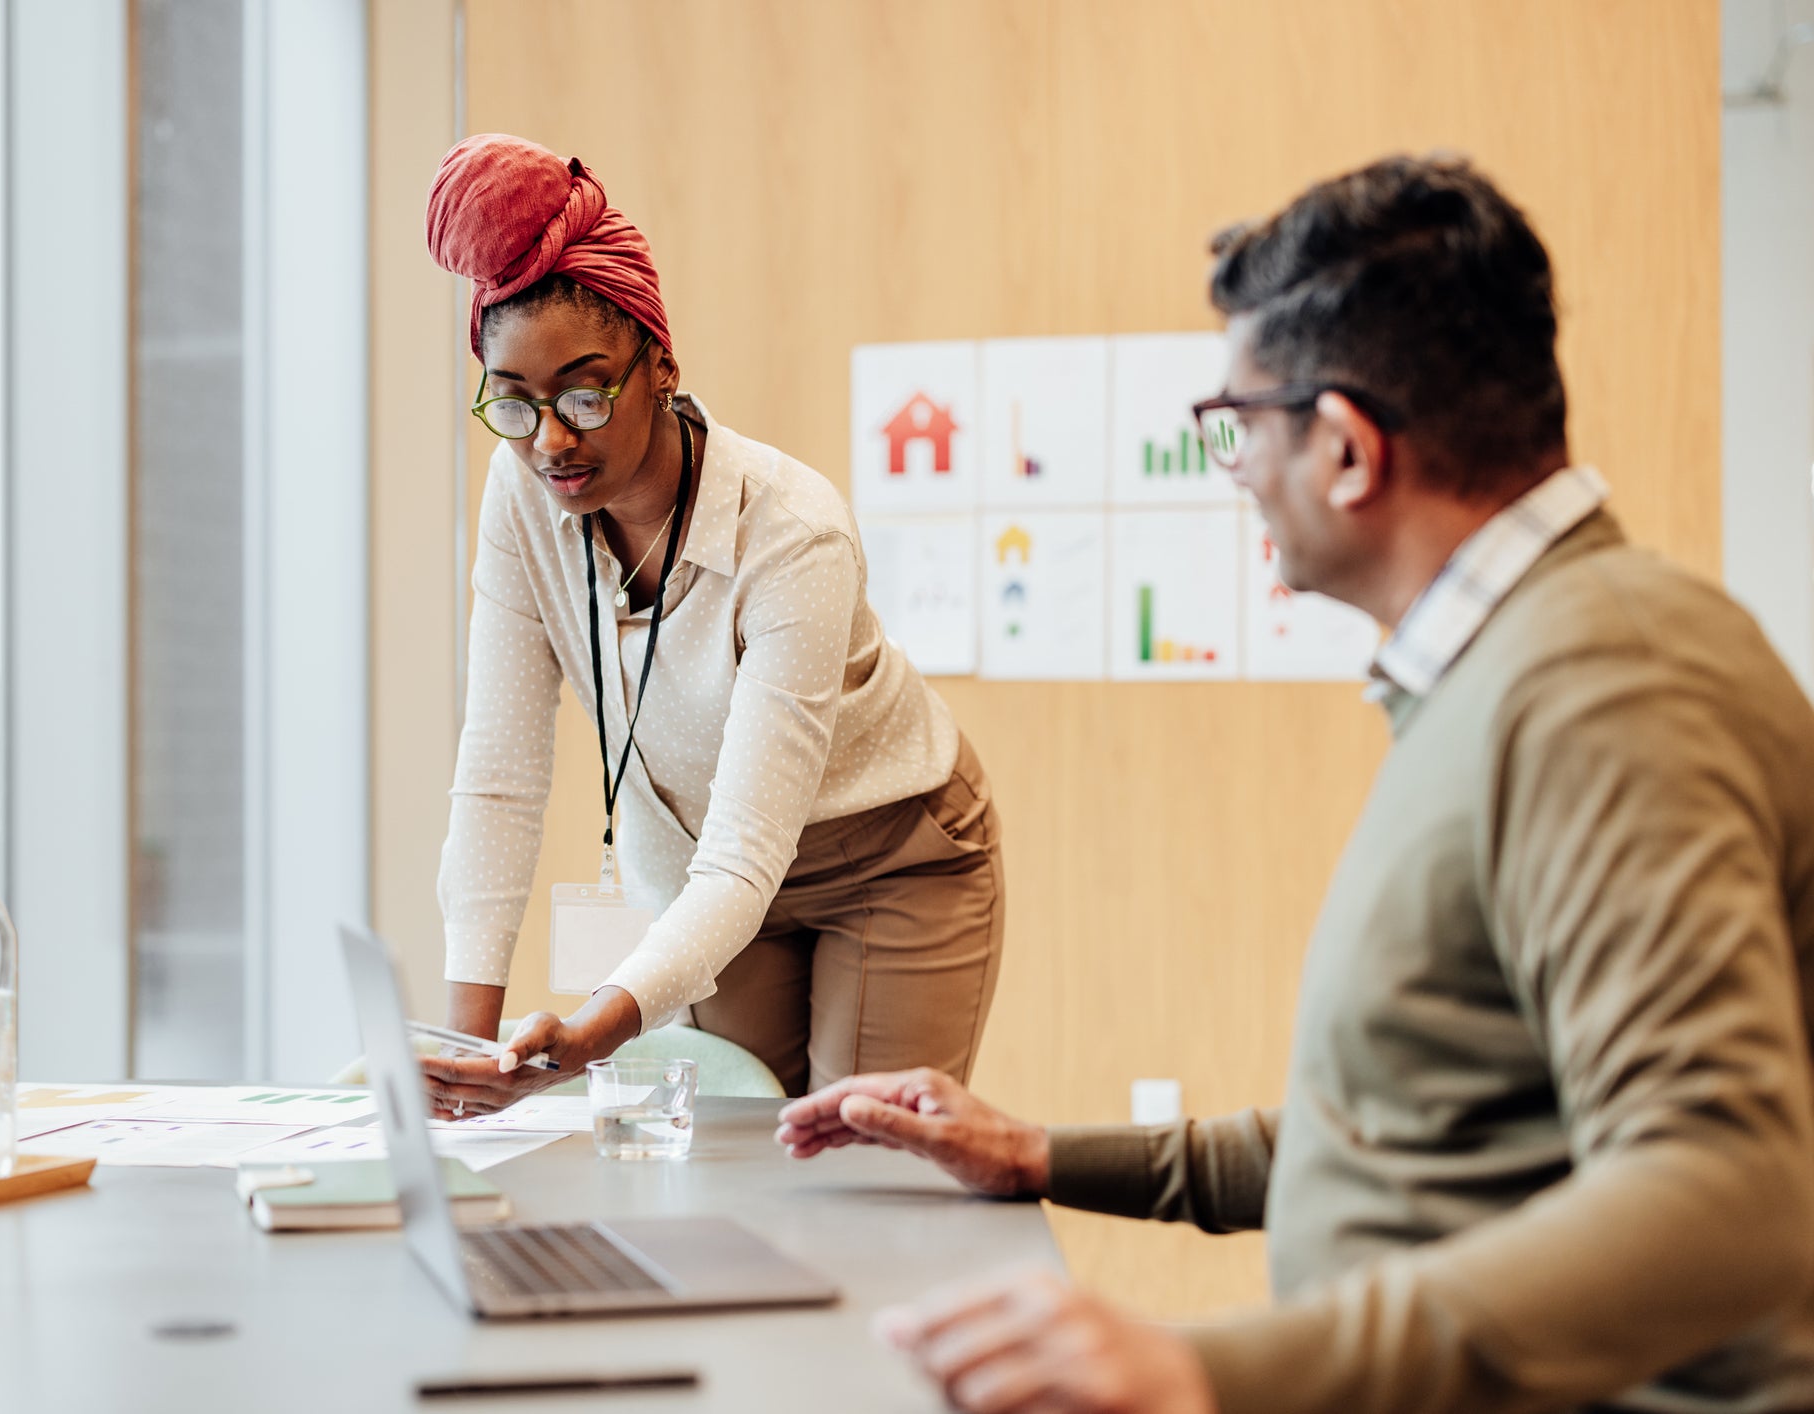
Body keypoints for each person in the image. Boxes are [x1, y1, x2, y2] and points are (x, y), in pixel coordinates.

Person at [777, 154, 1814, 1414]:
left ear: (1341, 447)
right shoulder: (1511, 667)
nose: (1232, 471)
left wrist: (1212, 1368)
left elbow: (1727, 1191)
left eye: (1235, 427)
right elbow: (1405, 1124)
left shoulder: (1603, 684)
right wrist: (1040, 1153)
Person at [415, 133, 1003, 1114]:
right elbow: (498, 780)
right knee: (727, 1151)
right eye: (513, 405)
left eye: (584, 393)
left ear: (659, 363)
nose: (551, 441)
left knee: (850, 1153)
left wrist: (593, 1032)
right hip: (705, 883)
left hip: (891, 857)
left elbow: (746, 854)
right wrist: (461, 1058)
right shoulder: (519, 496)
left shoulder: (790, 530)